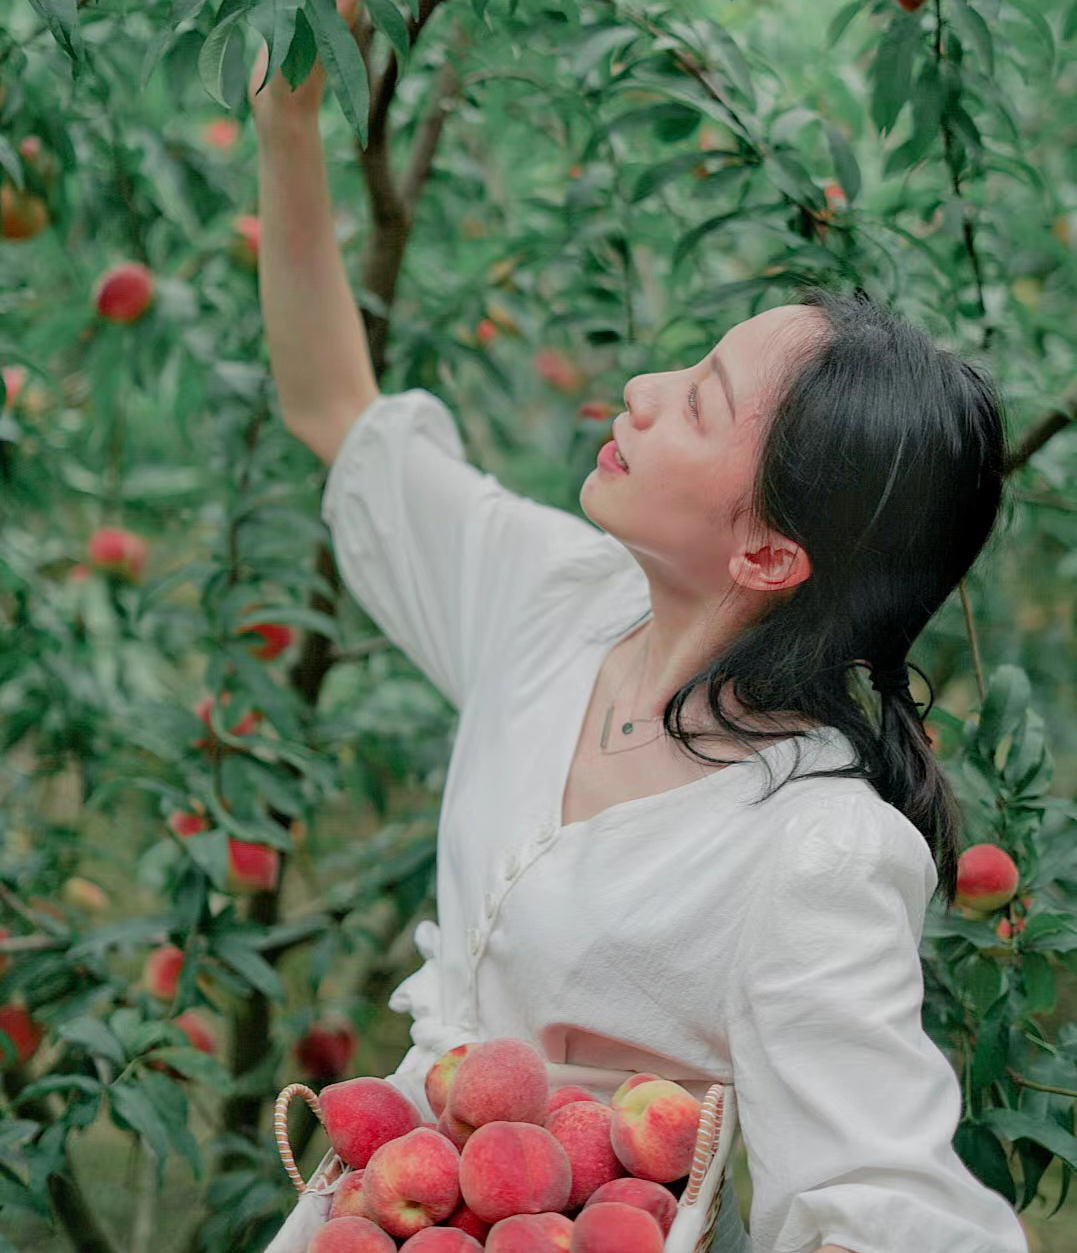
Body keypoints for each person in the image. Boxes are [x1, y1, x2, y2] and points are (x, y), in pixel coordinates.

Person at [251, 12, 1030, 1253]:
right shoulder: (556, 599)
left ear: (770, 554)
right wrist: (290, 120)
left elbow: (884, 1205)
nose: (645, 393)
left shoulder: (814, 848)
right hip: (379, 1212)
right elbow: (331, 405)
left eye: (703, 400)